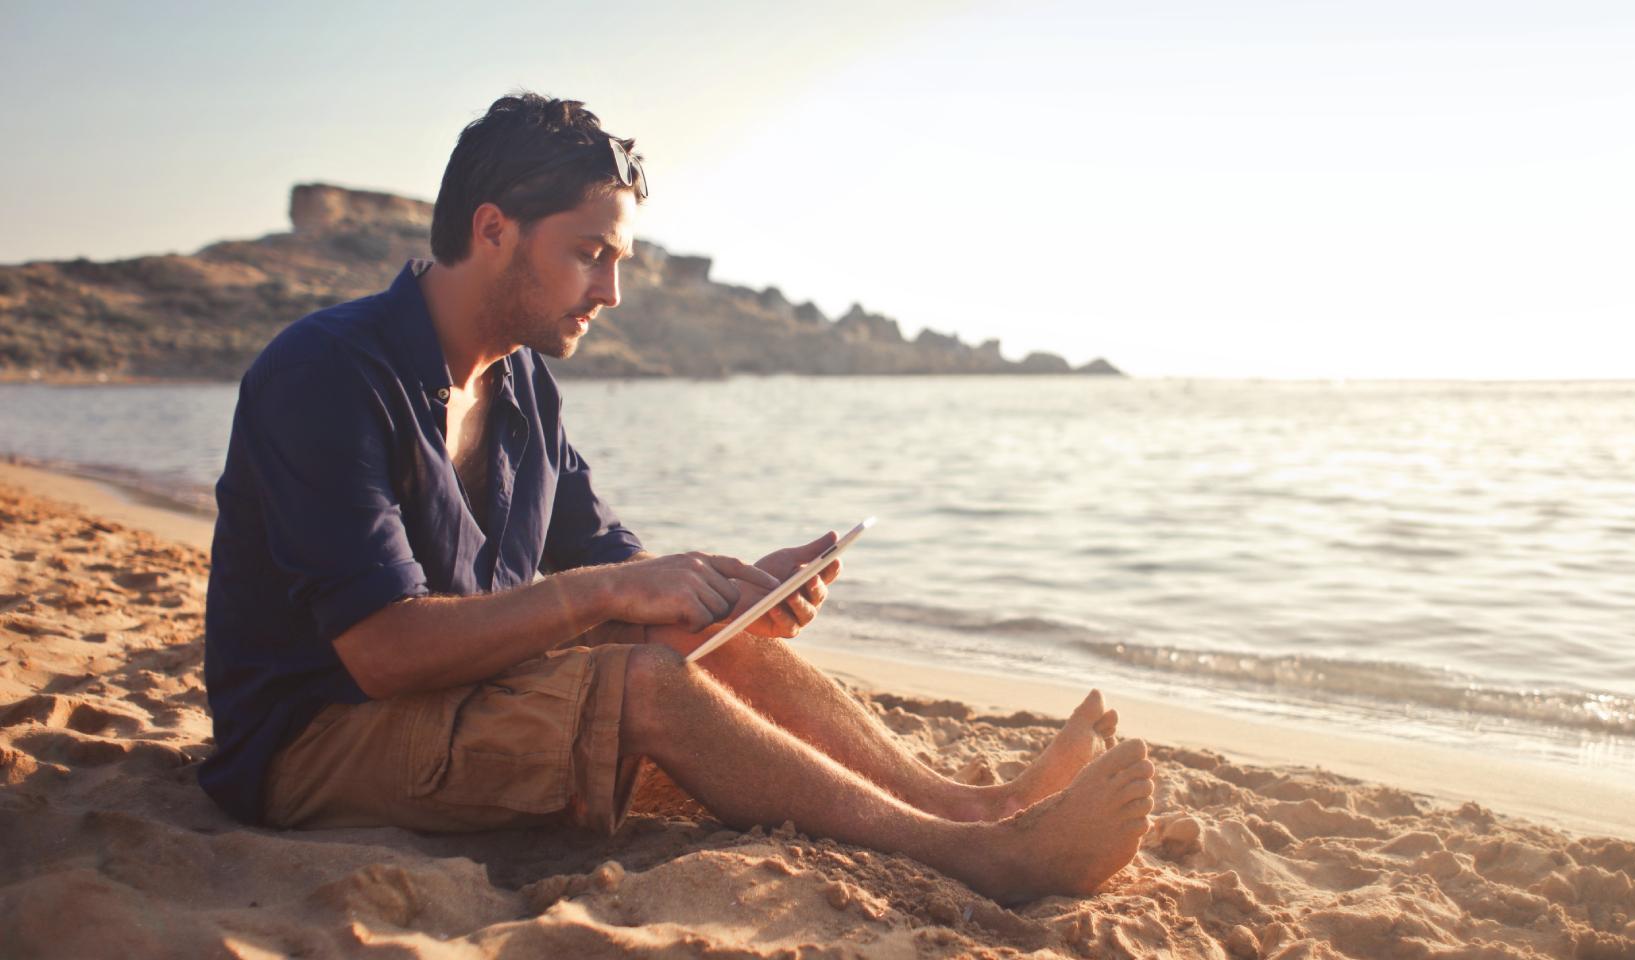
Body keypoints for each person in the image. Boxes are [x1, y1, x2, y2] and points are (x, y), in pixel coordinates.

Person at [200, 92, 1156, 902]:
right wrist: (601, 598)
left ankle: (971, 806)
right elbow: (382, 650)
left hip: (450, 694)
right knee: (645, 680)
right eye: (589, 254)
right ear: (493, 231)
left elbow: (612, 561)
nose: (611, 292)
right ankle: (984, 861)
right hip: (313, 744)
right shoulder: (325, 373)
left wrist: (736, 596)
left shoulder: (521, 387)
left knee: (688, 646)